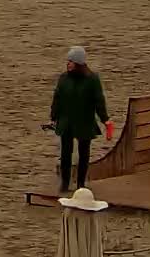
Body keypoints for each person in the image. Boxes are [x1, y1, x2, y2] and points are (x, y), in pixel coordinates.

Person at [51, 46, 109, 193]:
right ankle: (64, 184)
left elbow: (98, 101)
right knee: (65, 154)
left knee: (84, 154)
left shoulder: (92, 79)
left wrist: (105, 119)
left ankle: (81, 184)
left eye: (71, 61)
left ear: (79, 63)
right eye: (68, 61)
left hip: (84, 121)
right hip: (67, 121)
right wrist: (54, 116)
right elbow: (57, 98)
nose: (68, 64)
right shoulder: (64, 78)